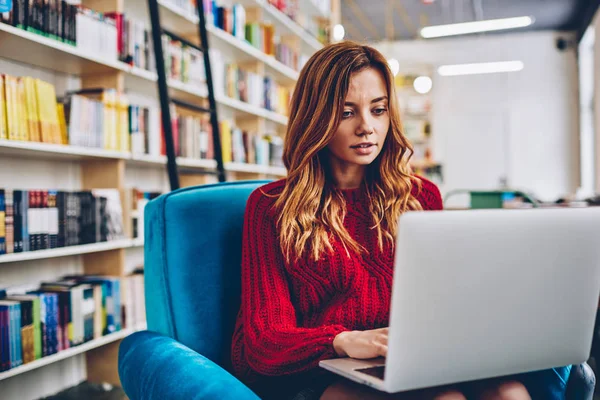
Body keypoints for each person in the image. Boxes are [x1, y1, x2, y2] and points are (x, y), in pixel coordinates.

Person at [231, 41, 571, 400]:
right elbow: (263, 341)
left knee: (509, 392)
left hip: (416, 358)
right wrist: (344, 340)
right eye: (347, 113)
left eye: (378, 110)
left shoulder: (420, 196)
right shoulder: (270, 207)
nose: (367, 127)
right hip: (326, 367)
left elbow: (446, 301)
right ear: (315, 117)